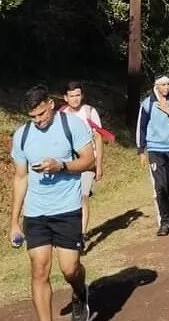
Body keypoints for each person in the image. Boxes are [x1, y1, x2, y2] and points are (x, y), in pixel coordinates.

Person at [10, 86, 96, 321]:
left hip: (67, 209)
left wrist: (62, 166)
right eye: (33, 117)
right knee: (39, 269)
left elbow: (89, 161)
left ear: (51, 104)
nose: (38, 121)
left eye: (41, 114)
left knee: (70, 269)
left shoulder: (72, 125)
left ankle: (80, 291)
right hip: (36, 213)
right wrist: (14, 222)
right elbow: (20, 177)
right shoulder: (22, 136)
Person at [136, 75, 169, 236]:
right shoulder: (147, 103)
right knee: (160, 186)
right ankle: (164, 221)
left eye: (168, 84)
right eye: (163, 84)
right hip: (155, 149)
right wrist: (141, 150)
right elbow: (141, 128)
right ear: (156, 86)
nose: (166, 87)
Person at [60, 82, 105, 237]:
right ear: (65, 98)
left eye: (78, 95)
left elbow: (99, 138)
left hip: (88, 162)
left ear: (82, 96)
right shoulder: (61, 115)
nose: (75, 99)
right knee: (70, 198)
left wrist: (98, 165)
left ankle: (81, 235)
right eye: (71, 96)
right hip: (69, 163)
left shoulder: (89, 112)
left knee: (82, 196)